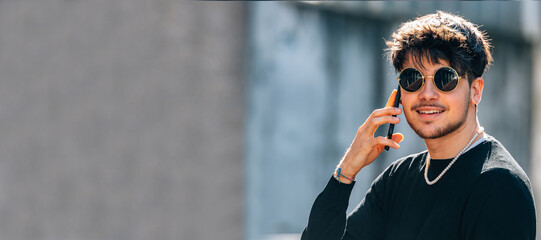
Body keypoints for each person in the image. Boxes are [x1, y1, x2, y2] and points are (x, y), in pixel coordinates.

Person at [301, 11, 536, 240]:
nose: (427, 94)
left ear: (475, 91)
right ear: (399, 94)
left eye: (445, 78)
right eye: (412, 79)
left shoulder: (499, 185)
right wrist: (347, 170)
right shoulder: (397, 180)